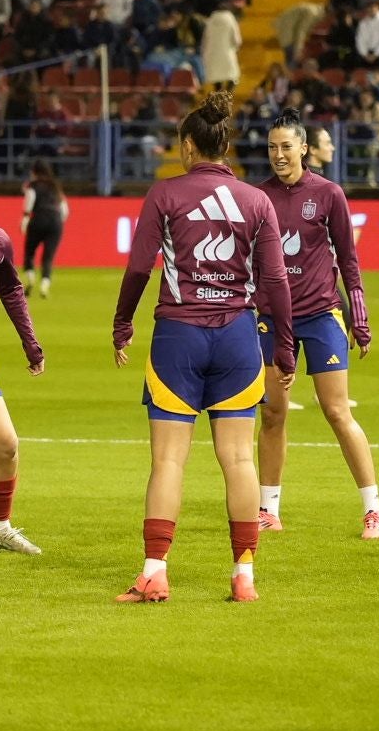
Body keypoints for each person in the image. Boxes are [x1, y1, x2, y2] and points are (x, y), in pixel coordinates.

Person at [112, 91, 296, 603]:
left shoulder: (164, 195)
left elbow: (139, 268)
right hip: (239, 336)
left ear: (189, 145)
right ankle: (244, 578)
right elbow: (277, 281)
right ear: (227, 145)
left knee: (169, 462)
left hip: (179, 338)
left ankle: (154, 572)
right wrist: (284, 345)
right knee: (238, 459)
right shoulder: (257, 201)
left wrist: (122, 323)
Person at [255, 112, 379, 539]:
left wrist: (358, 318)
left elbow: (348, 259)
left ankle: (373, 510)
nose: (278, 154)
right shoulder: (257, 198)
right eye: (272, 147)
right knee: (273, 414)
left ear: (303, 148)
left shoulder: (328, 194)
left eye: (286, 146)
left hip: (321, 314)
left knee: (336, 411)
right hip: (273, 321)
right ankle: (268, 509)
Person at [22, 159, 68, 298]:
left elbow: (29, 203)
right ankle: (44, 286)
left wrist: (24, 221)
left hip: (38, 219)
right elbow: (65, 210)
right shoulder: (55, 186)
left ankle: (30, 280)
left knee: (30, 252)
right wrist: (58, 223)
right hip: (55, 221)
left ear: (34, 171)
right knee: (48, 257)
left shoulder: (32, 186)